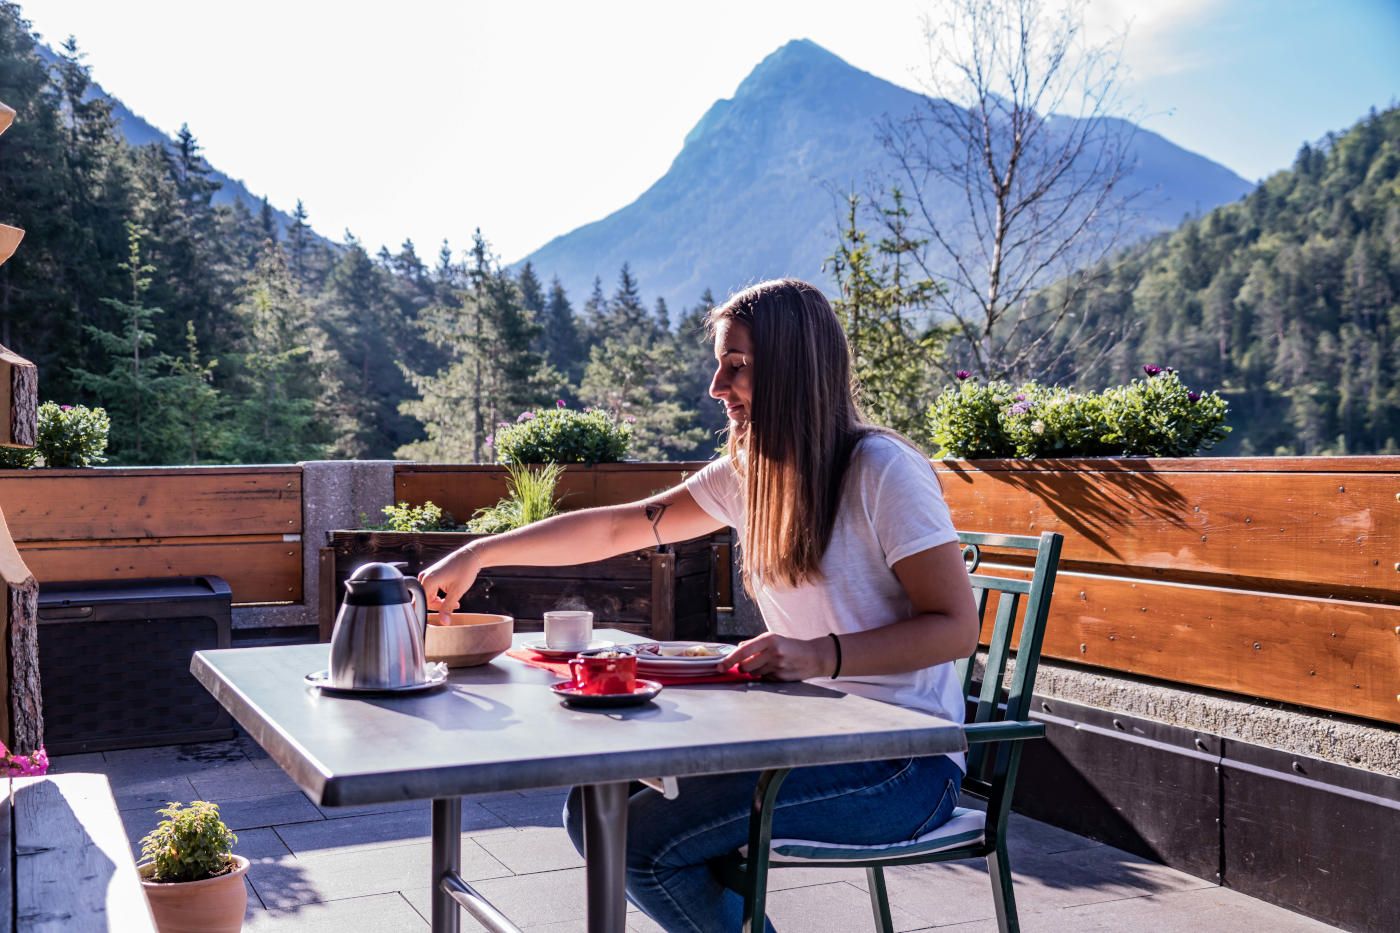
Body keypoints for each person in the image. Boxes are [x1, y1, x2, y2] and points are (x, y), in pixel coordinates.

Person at [419, 278, 979, 932]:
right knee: (594, 811)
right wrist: (480, 552)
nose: (717, 385)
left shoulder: (881, 470)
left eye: (736, 365)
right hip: (809, 740)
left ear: (794, 367)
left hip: (906, 761)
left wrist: (818, 655)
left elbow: (956, 628)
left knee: (641, 842)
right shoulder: (751, 474)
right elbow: (615, 528)